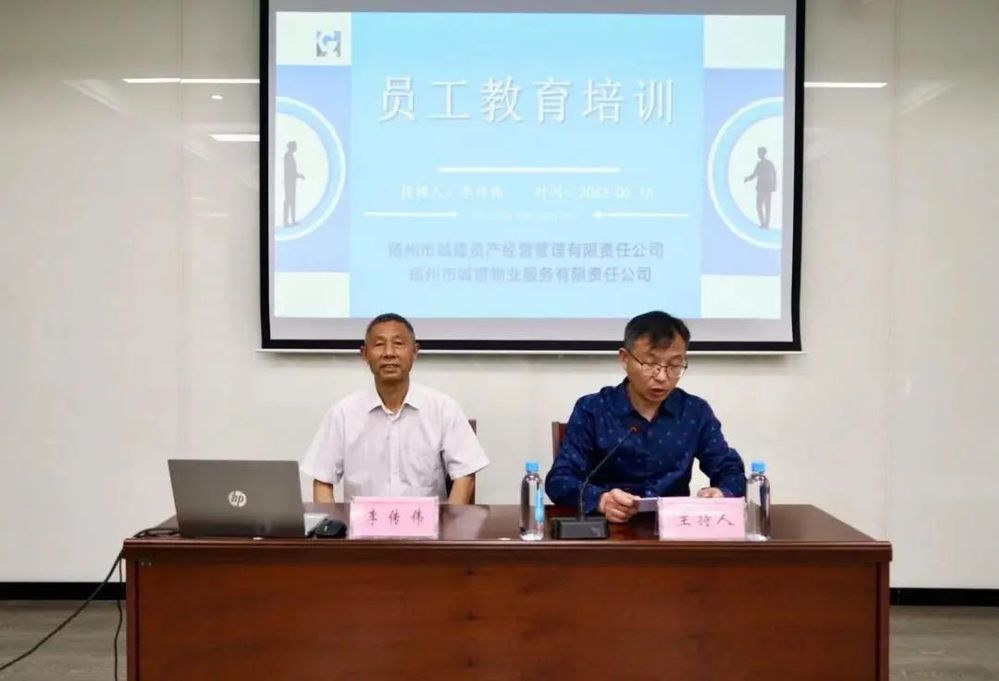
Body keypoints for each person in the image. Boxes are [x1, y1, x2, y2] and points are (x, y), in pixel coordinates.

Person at [545, 311, 746, 523]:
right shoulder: (593, 409)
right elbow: (560, 480)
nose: (662, 377)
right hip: (608, 528)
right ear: (624, 359)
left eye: (674, 365)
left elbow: (730, 470)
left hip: (674, 529)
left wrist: (722, 493)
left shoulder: (695, 411)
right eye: (650, 364)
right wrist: (601, 500)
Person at [301, 313, 488, 504]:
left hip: (425, 522)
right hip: (363, 522)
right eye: (379, 344)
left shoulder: (443, 409)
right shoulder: (343, 413)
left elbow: (465, 475)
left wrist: (449, 521)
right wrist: (331, 521)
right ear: (364, 354)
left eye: (398, 344)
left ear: (414, 352)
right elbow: (322, 480)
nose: (389, 353)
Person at [744, 146, 777, 228]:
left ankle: (765, 224)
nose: (758, 154)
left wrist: (774, 185)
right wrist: (748, 178)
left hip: (765, 188)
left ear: (762, 153)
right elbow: (755, 174)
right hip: (763, 187)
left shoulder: (768, 163)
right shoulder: (760, 164)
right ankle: (764, 223)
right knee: (762, 206)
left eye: (759, 153)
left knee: (765, 206)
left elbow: (774, 174)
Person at [283, 140, 305, 226]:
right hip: (289, 182)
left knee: (292, 201)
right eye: (295, 146)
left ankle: (292, 220)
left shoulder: (290, 156)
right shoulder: (288, 156)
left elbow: (292, 171)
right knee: (288, 201)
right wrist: (299, 176)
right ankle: (286, 221)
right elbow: (290, 171)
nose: (296, 147)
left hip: (291, 181)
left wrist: (298, 175)